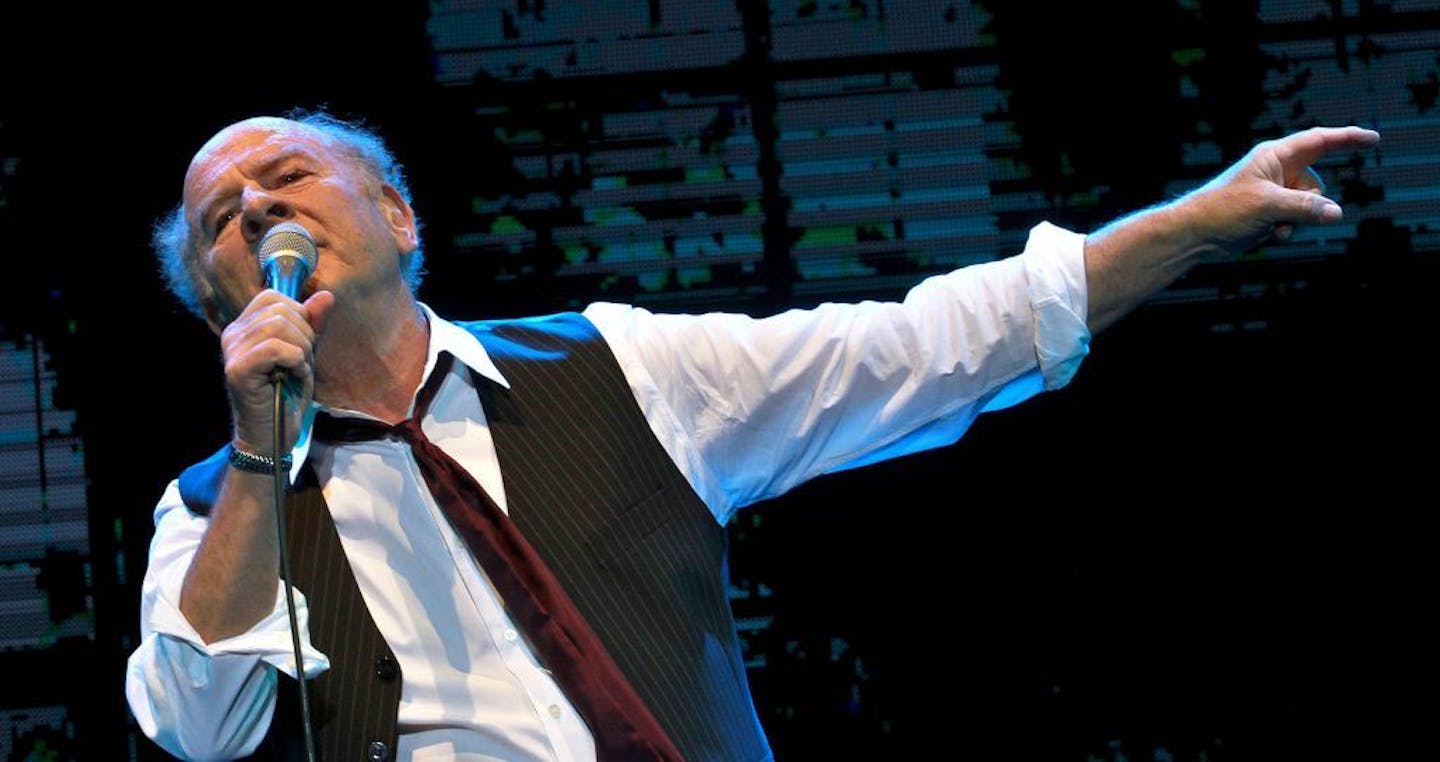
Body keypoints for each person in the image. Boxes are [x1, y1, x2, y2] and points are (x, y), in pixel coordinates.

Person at [123, 110, 1379, 761]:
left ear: (397, 215)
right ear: (223, 303)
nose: (254, 207)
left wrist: (1196, 225)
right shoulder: (208, 507)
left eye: (284, 176)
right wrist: (257, 453)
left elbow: (922, 346)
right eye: (221, 219)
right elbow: (197, 726)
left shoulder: (618, 366)